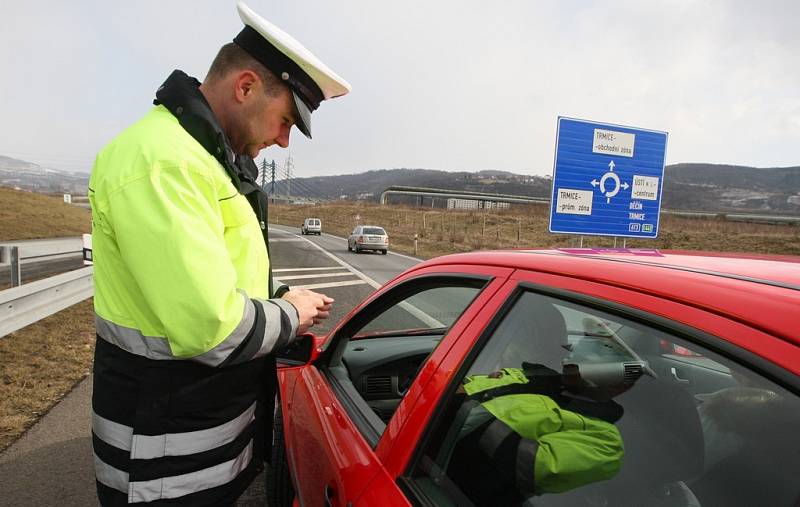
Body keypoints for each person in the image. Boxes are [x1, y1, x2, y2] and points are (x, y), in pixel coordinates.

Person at [88, 3, 350, 505]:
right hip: (160, 461)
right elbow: (211, 326)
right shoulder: (164, 162)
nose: (282, 138)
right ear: (246, 86)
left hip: (191, 442)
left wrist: (276, 294)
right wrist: (289, 315)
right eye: (286, 120)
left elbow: (216, 272)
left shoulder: (205, 160)